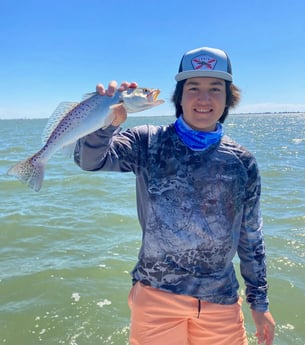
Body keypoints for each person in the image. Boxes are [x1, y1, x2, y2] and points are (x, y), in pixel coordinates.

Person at [74, 46, 275, 345]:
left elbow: (250, 235)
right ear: (179, 96)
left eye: (215, 89)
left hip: (220, 299)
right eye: (193, 88)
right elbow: (90, 160)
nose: (203, 98)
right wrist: (104, 123)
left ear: (228, 97)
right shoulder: (146, 141)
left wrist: (259, 303)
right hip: (156, 297)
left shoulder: (241, 161)